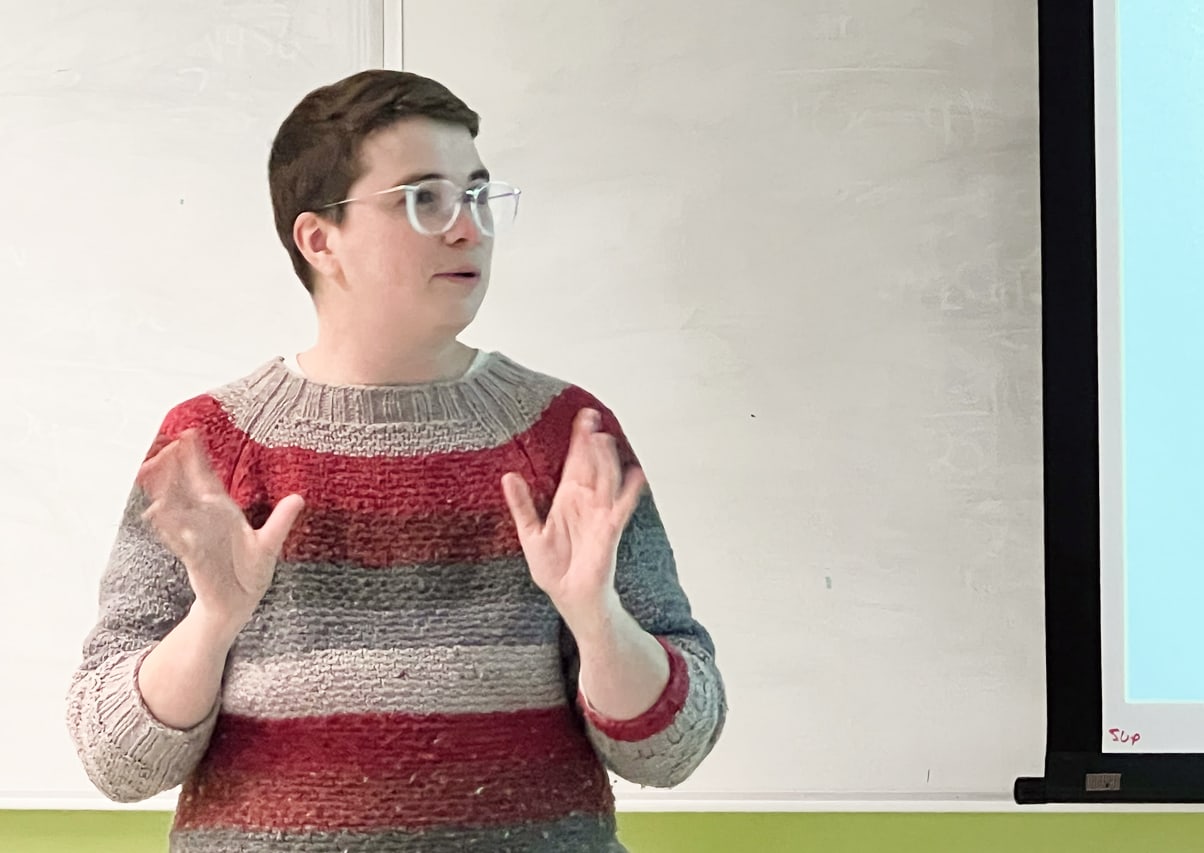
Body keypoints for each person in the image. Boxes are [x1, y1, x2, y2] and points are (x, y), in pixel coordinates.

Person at [65, 69, 727, 853]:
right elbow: (116, 759)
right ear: (320, 239)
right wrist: (214, 622)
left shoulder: (563, 432)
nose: (468, 229)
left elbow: (672, 747)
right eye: (425, 200)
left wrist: (597, 617)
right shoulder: (214, 441)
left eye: (479, 197)